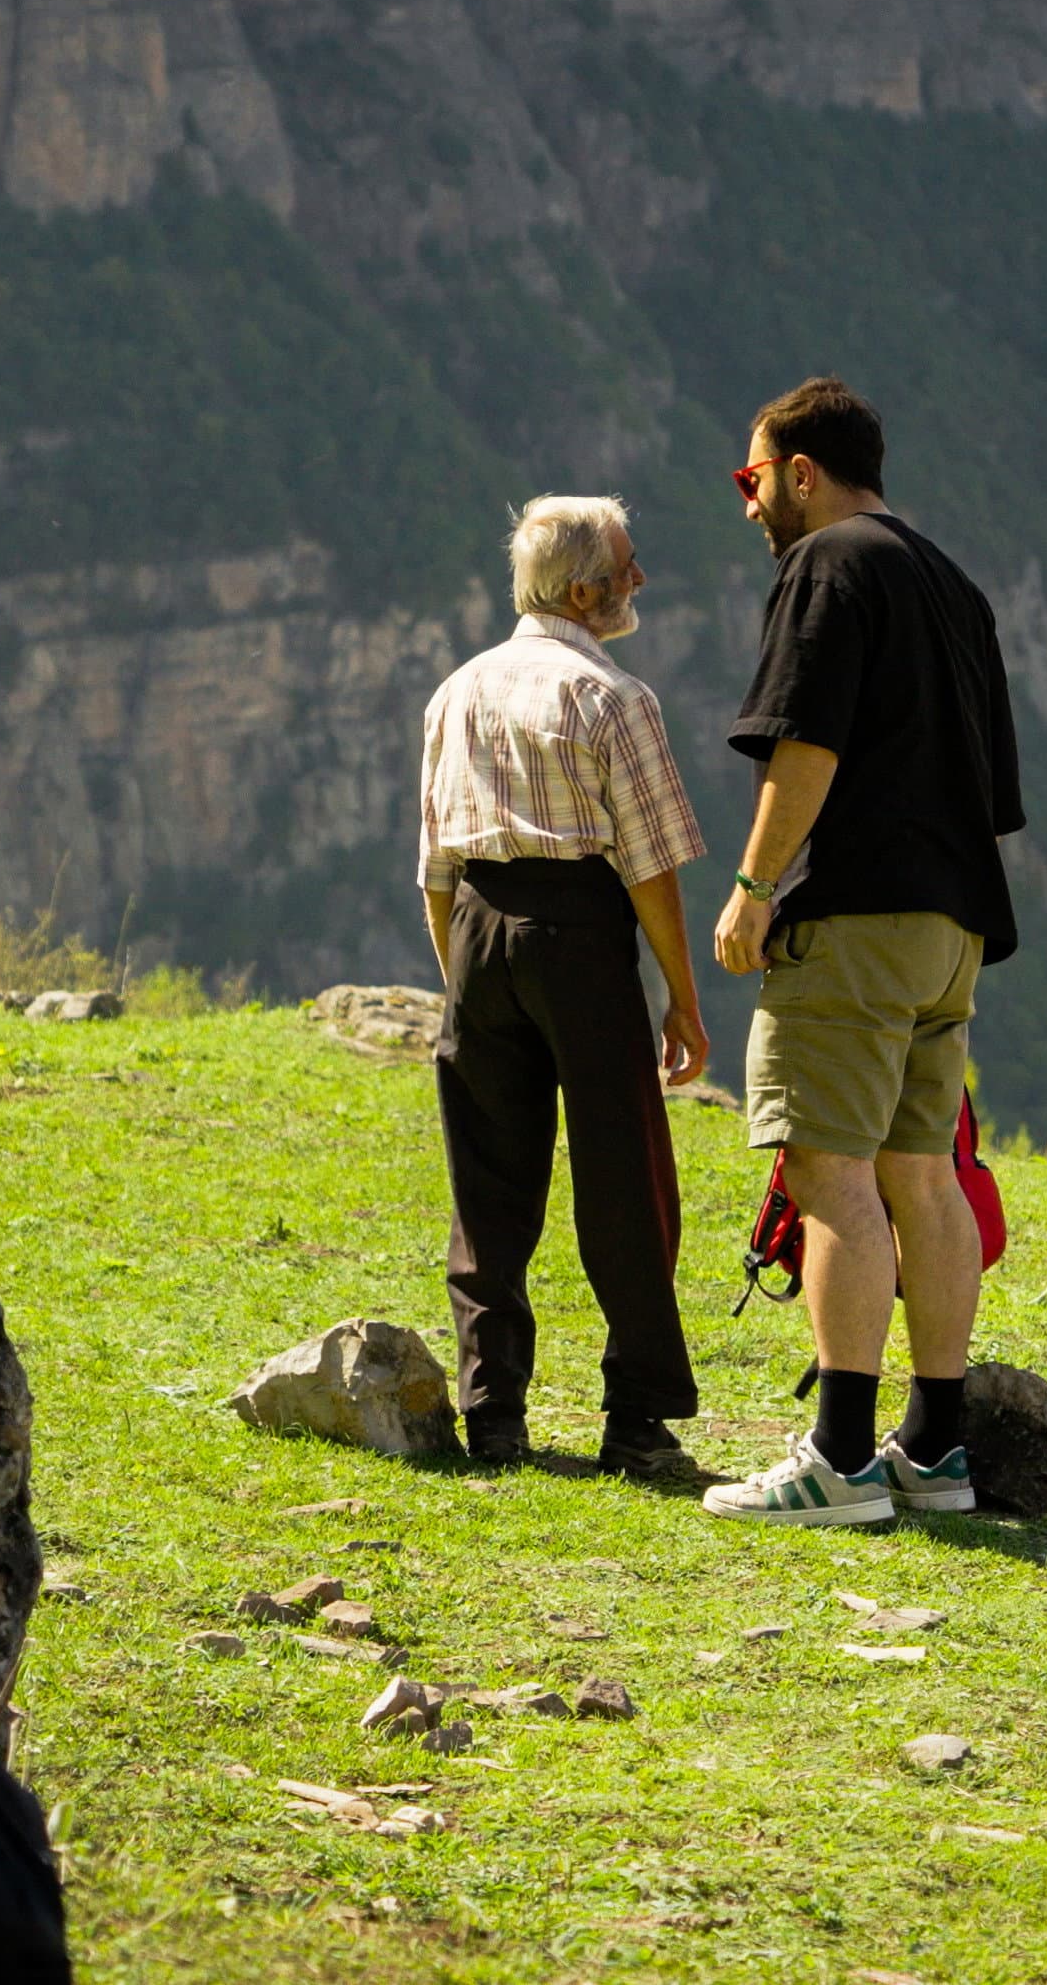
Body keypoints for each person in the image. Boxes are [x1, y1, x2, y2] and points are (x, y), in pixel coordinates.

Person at [697, 378, 1026, 1530]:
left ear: (800, 471)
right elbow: (993, 789)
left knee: (825, 1169)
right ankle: (934, 1452)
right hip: (953, 928)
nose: (747, 507)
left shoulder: (828, 564)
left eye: (752, 480)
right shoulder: (954, 584)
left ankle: (838, 1459)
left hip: (856, 921)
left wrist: (750, 889)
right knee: (922, 1175)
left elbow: (809, 742)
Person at [418, 494, 714, 1476]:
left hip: (478, 934)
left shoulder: (455, 691)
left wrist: (460, 974)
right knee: (624, 1180)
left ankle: (492, 1414)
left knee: (489, 1185)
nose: (640, 580)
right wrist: (681, 994)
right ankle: (636, 1417)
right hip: (581, 935)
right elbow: (651, 863)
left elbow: (437, 867)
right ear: (583, 590)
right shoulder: (611, 697)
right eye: (627, 566)